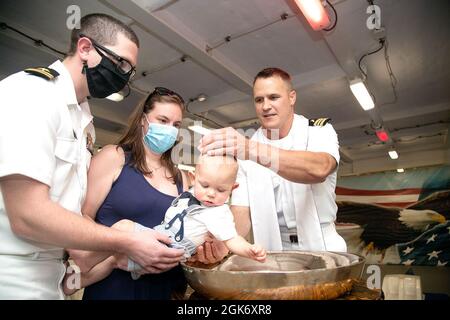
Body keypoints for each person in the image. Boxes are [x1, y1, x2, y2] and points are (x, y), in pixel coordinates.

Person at [0, 14, 183, 300]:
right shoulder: (33, 94)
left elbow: (71, 211)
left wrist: (111, 254)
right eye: (121, 63)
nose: (124, 76)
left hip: (51, 275)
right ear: (85, 48)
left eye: (130, 71)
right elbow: (27, 215)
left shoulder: (83, 120)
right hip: (13, 274)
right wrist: (125, 239)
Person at [63, 154, 266, 294]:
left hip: (166, 252)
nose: (211, 194)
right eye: (205, 186)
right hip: (160, 241)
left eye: (221, 190)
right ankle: (71, 284)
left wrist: (249, 250)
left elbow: (233, 239)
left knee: (123, 227)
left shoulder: (217, 213)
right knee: (115, 260)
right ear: (194, 178)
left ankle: (85, 259)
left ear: (233, 188)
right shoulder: (188, 196)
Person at [198, 67, 347, 252]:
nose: (265, 106)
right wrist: (224, 243)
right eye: (259, 100)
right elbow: (241, 213)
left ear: (291, 97)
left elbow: (320, 169)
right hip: (274, 247)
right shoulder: (247, 149)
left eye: (273, 97)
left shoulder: (318, 131)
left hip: (324, 243)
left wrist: (249, 149)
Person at [67, 86, 191, 300]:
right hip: (112, 284)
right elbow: (81, 216)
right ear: (143, 120)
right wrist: (117, 249)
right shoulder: (113, 158)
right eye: (162, 120)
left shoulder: (182, 179)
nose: (170, 130)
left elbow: (185, 234)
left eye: (176, 125)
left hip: (163, 288)